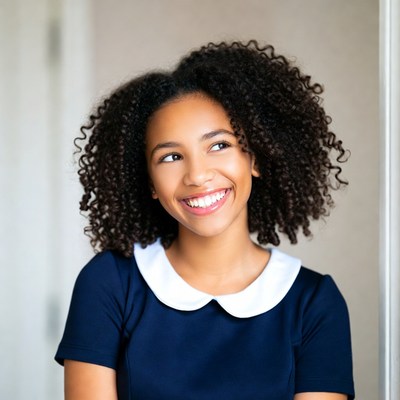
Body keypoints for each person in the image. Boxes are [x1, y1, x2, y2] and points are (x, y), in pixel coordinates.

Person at [55, 40, 355, 400]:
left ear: (255, 158)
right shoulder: (109, 284)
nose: (197, 175)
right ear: (149, 182)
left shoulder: (315, 303)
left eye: (219, 145)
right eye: (170, 157)